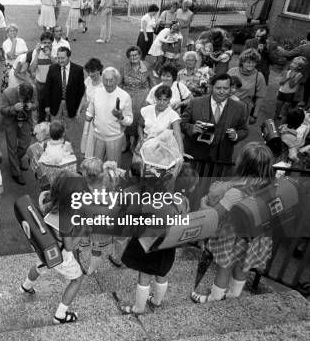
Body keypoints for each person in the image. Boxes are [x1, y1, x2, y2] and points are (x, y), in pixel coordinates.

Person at [191, 142, 275, 304]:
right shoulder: (270, 186)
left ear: (242, 164)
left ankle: (214, 299)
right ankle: (234, 296)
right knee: (243, 266)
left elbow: (214, 215)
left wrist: (203, 203)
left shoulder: (235, 192)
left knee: (225, 267)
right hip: (256, 238)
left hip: (233, 239)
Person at [117, 172, 190, 315]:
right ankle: (157, 301)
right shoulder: (182, 200)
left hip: (149, 244)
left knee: (144, 276)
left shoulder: (149, 203)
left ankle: (138, 308)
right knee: (162, 273)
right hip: (168, 244)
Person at [20, 172, 87, 325]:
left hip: (45, 247)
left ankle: (26, 286)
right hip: (60, 255)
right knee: (77, 279)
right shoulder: (67, 216)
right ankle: (60, 315)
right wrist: (83, 231)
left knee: (41, 264)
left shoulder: (48, 202)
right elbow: (69, 246)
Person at [181, 73, 248, 164]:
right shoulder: (195, 103)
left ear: (230, 88)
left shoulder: (240, 107)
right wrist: (192, 128)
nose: (222, 91)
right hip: (194, 156)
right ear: (211, 87)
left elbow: (244, 129)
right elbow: (182, 123)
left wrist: (236, 135)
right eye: (218, 88)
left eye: (225, 88)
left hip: (221, 159)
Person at [86, 68, 133, 165]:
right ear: (102, 80)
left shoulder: (125, 96)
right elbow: (90, 110)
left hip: (114, 138)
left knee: (113, 168)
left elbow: (130, 121)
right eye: (105, 80)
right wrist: (88, 115)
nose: (108, 83)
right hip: (97, 136)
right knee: (96, 166)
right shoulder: (97, 92)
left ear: (117, 80)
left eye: (111, 80)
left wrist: (120, 117)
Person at [43, 47, 85, 143]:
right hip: (55, 104)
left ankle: (67, 148)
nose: (60, 60)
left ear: (69, 57)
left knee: (70, 128)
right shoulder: (52, 68)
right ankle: (55, 146)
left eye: (63, 58)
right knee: (54, 128)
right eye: (58, 58)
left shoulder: (78, 70)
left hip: (71, 105)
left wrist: (77, 106)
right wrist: (47, 105)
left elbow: (81, 90)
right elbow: (47, 88)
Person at [0, 82, 36, 185]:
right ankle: (15, 173)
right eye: (21, 97)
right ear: (18, 90)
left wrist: (32, 106)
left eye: (25, 98)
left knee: (25, 144)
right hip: (10, 122)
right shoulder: (7, 92)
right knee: (12, 147)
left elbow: (36, 104)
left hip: (25, 121)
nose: (22, 99)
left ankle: (16, 159)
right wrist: (13, 108)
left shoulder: (32, 89)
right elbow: (2, 110)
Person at [120, 46, 153, 153]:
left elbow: (152, 82)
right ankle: (127, 142)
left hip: (143, 98)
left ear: (140, 55)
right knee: (126, 120)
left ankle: (135, 143)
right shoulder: (124, 67)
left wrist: (154, 97)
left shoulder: (146, 66)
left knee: (139, 121)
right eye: (131, 55)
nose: (134, 57)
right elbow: (120, 84)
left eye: (136, 55)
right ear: (128, 57)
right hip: (128, 98)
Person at [138, 84, 186, 156]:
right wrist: (141, 138)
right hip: (144, 145)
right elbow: (140, 126)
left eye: (165, 100)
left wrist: (181, 153)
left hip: (161, 149)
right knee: (139, 166)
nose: (162, 102)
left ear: (169, 100)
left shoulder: (173, 115)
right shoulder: (147, 110)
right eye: (159, 99)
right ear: (155, 99)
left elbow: (177, 135)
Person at [227, 48, 267, 124]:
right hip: (227, 105)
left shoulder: (259, 76)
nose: (251, 65)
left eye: (254, 62)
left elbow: (260, 97)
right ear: (242, 62)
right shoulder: (232, 71)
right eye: (248, 62)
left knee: (236, 130)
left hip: (244, 109)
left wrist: (254, 115)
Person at [79, 59, 104, 158]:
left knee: (95, 137)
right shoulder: (88, 80)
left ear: (99, 70)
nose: (90, 74)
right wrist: (80, 108)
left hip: (99, 115)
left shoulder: (104, 83)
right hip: (88, 114)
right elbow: (85, 96)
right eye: (88, 72)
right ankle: (88, 156)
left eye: (93, 71)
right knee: (87, 134)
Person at [277, 31, 310, 104]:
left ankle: (284, 111)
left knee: (289, 95)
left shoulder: (303, 47)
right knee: (302, 96)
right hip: (307, 77)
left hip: (296, 74)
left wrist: (280, 48)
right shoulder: (303, 46)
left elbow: (288, 54)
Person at [30, 31, 55, 122]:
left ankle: (52, 128)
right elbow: (32, 69)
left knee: (52, 107)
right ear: (41, 43)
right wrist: (37, 53)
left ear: (52, 43)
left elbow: (59, 67)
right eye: (44, 43)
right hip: (40, 84)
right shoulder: (36, 52)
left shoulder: (56, 51)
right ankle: (41, 127)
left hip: (53, 84)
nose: (47, 45)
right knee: (40, 106)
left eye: (49, 43)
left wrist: (49, 55)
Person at [275, 56, 307, 122]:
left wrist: (292, 76)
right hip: (282, 91)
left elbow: (291, 85)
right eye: (292, 62)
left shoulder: (299, 75)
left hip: (290, 94)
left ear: (299, 67)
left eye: (295, 63)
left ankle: (281, 124)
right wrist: (288, 77)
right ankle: (273, 121)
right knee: (277, 108)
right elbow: (281, 83)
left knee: (285, 110)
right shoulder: (286, 71)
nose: (292, 64)